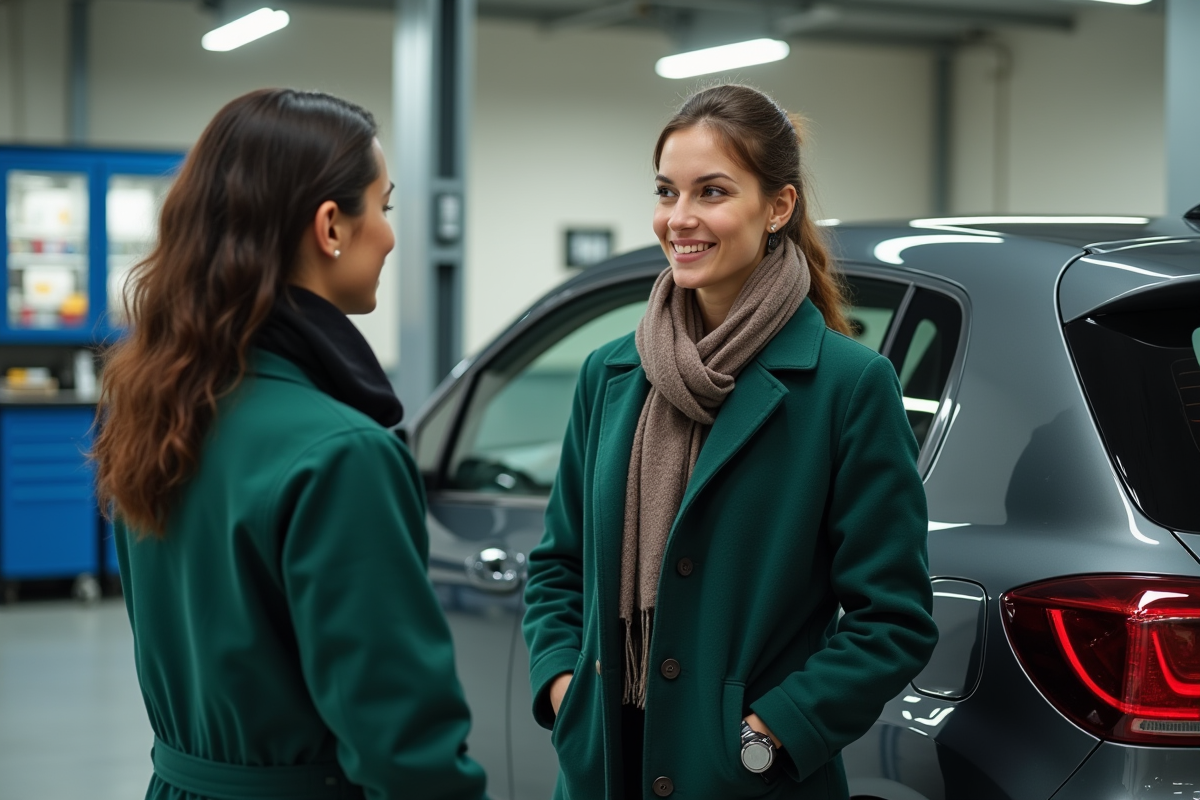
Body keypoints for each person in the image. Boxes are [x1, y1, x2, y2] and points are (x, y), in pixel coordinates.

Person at [522, 84, 938, 800]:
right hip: (606, 770)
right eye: (666, 192)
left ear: (778, 207)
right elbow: (559, 566)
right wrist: (568, 693)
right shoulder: (611, 374)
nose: (679, 219)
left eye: (711, 192)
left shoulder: (847, 386)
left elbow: (892, 620)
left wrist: (765, 737)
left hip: (750, 782)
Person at [92, 89, 488, 800]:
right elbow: (403, 750)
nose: (393, 237)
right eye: (386, 207)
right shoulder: (341, 454)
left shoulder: (156, 410)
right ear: (331, 225)